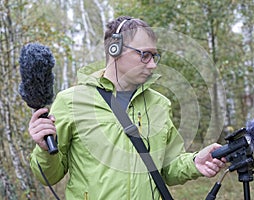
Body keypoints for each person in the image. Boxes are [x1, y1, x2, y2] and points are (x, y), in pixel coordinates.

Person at [29, 16, 226, 200]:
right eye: (145, 55)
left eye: (154, 56)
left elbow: (167, 168)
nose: (152, 65)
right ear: (115, 49)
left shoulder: (159, 104)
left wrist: (194, 163)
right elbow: (50, 176)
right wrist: (45, 151)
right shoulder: (71, 101)